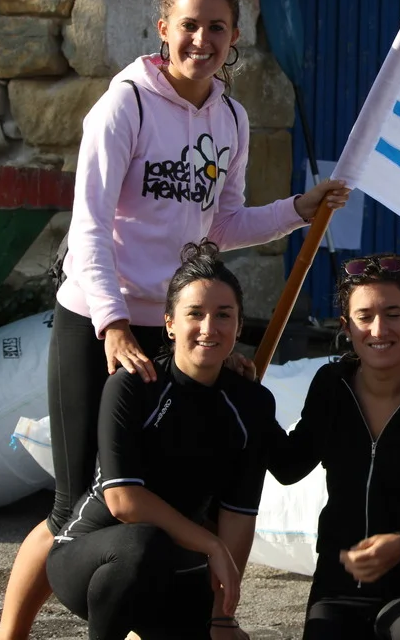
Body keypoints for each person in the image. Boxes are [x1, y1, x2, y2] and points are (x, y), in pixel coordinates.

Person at [0, 0, 350, 640]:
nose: (201, 40)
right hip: (97, 317)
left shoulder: (233, 119)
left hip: (176, 326)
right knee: (79, 501)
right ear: (163, 28)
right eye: (189, 25)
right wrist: (112, 327)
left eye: (217, 28)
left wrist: (298, 210)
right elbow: (89, 229)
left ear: (234, 36)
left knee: (160, 492)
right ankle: (8, 634)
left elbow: (223, 225)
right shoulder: (123, 106)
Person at [45, 240, 275, 638]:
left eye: (224, 315)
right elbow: (124, 502)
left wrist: (223, 616)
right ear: (169, 323)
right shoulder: (134, 386)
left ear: (239, 326)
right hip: (93, 555)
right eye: (195, 314)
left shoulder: (251, 401)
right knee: (142, 545)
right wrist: (212, 545)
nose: (209, 328)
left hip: (177, 563)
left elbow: (239, 513)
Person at [266, 253, 400, 640]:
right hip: (338, 585)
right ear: (346, 327)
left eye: (393, 313)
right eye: (364, 316)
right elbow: (288, 466)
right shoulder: (332, 386)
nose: (379, 329)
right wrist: (249, 399)